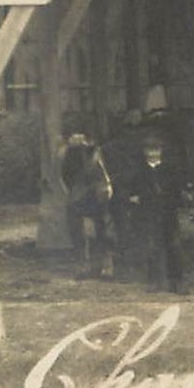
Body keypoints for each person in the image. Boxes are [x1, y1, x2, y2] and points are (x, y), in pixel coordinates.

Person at [120, 133, 187, 294]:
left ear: (161, 151)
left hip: (167, 213)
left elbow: (177, 191)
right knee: (152, 247)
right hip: (147, 214)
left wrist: (175, 202)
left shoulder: (170, 169)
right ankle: (155, 281)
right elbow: (129, 191)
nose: (153, 154)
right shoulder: (138, 171)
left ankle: (176, 281)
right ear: (145, 152)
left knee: (173, 246)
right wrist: (133, 198)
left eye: (156, 150)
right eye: (149, 150)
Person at [59, 120, 114, 279]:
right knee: (77, 231)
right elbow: (62, 176)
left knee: (101, 228)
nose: (77, 138)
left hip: (95, 193)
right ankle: (82, 265)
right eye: (74, 135)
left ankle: (105, 264)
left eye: (80, 135)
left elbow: (103, 173)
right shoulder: (65, 153)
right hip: (77, 194)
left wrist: (105, 188)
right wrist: (70, 193)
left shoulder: (95, 151)